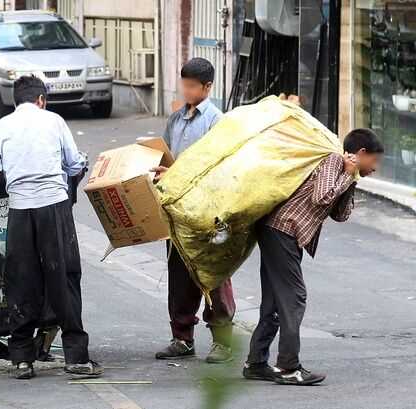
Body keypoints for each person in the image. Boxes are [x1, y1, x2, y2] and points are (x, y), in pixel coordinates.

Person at [0, 75, 102, 380]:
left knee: (22, 281)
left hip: (20, 211)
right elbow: (75, 164)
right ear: (41, 99)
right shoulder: (54, 121)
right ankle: (76, 358)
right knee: (65, 278)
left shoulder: (0, 126)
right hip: (54, 208)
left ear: (15, 100)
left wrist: (15, 174)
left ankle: (21, 358)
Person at [243, 128, 384, 385]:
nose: (375, 168)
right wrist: (347, 175)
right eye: (374, 161)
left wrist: (350, 179)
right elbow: (321, 198)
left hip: (285, 233)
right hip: (282, 229)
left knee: (275, 300)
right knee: (294, 297)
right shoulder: (332, 160)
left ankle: (256, 363)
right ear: (361, 153)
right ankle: (288, 367)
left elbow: (340, 215)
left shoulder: (346, 171)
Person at [152, 57, 237, 363]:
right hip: (176, 210)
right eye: (183, 84)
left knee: (213, 274)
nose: (186, 91)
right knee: (179, 275)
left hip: (208, 211)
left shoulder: (217, 121)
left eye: (192, 86)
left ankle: (223, 340)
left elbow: (216, 166)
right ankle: (182, 337)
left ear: (208, 87)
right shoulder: (176, 120)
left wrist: (176, 175)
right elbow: (167, 158)